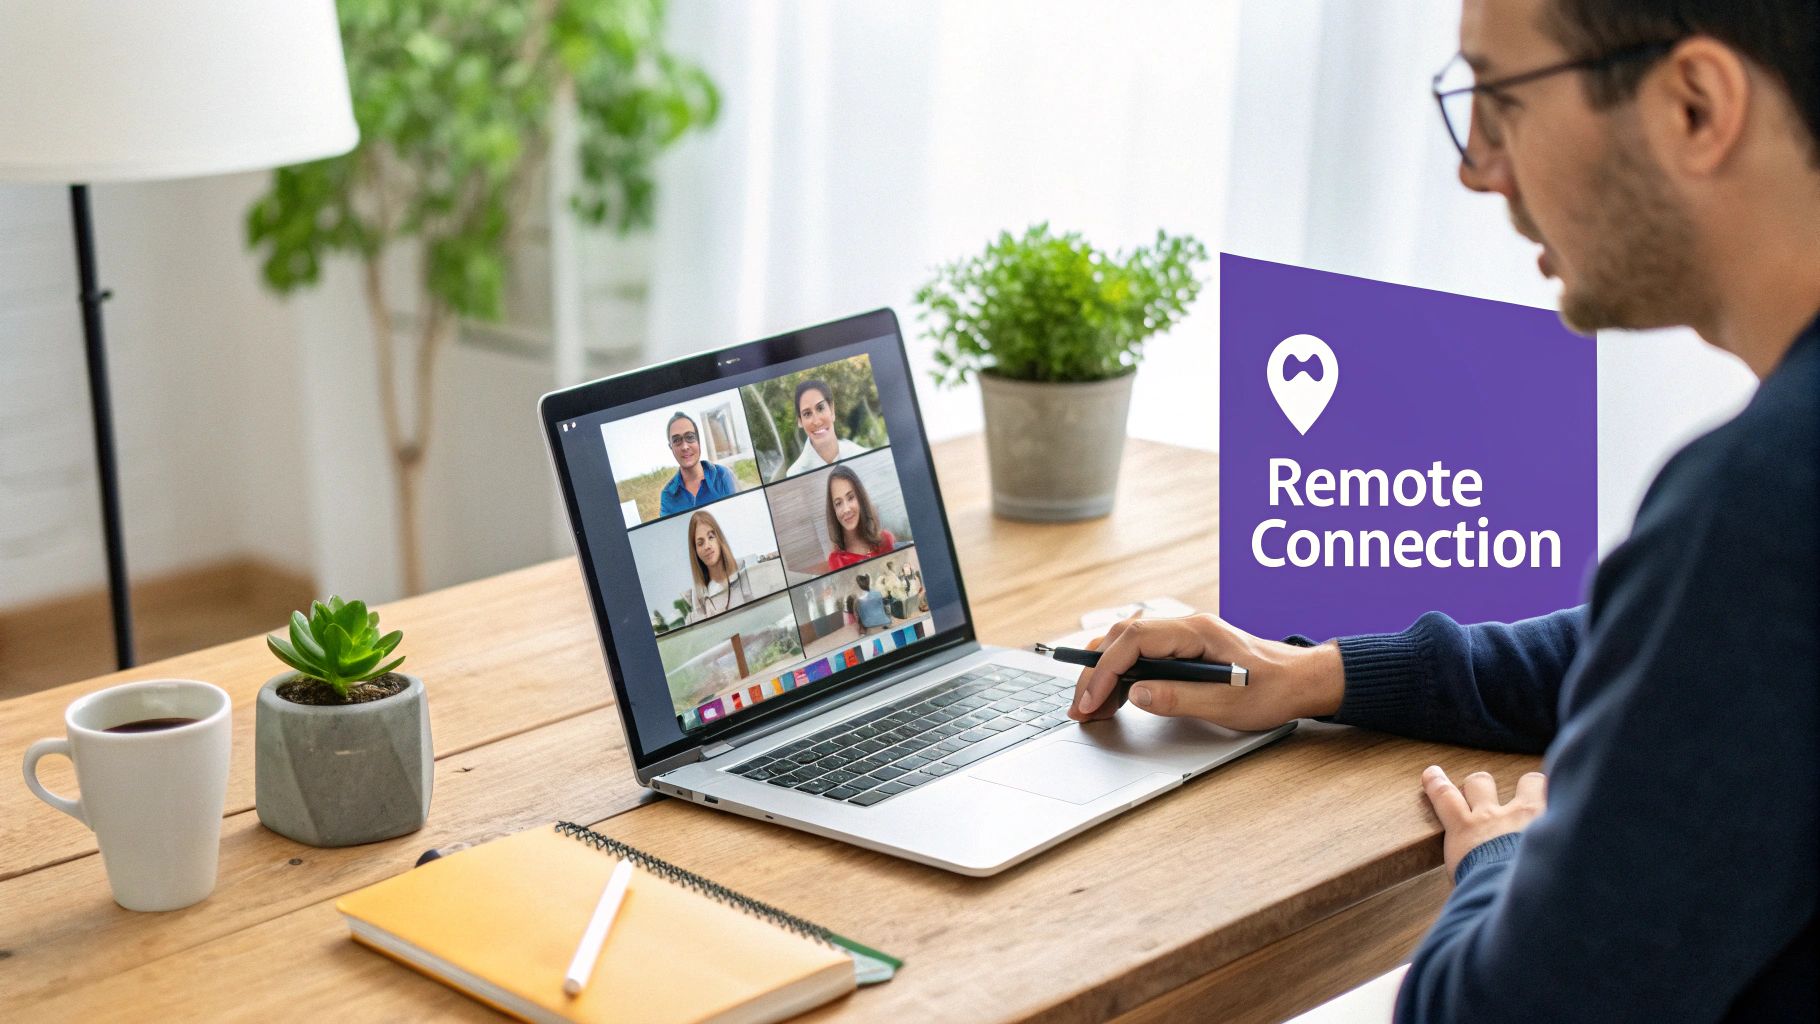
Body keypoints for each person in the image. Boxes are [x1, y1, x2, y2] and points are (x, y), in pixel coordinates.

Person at [1071, 2, 1817, 1020]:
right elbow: (1654, 650)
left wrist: (1499, 859)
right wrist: (1311, 674)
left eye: (1499, 101)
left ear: (1692, 105)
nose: (1476, 168)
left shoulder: (1762, 508)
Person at [658, 412, 738, 516]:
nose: (685, 447)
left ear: (698, 441)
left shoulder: (722, 475)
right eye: (677, 440)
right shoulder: (668, 495)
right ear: (671, 447)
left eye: (690, 437)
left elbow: (738, 517)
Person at [784, 378, 868, 476]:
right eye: (807, 414)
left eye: (820, 408)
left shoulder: (862, 455)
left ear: (832, 410)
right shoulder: (795, 474)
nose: (816, 421)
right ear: (800, 421)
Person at [683, 509, 753, 623]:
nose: (707, 546)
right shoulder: (698, 593)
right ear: (695, 551)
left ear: (719, 539)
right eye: (700, 543)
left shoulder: (743, 570)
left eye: (711, 537)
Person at [824, 466, 895, 570]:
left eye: (851, 497)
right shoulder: (836, 561)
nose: (846, 509)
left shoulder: (885, 540)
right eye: (838, 503)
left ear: (860, 498)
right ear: (833, 511)